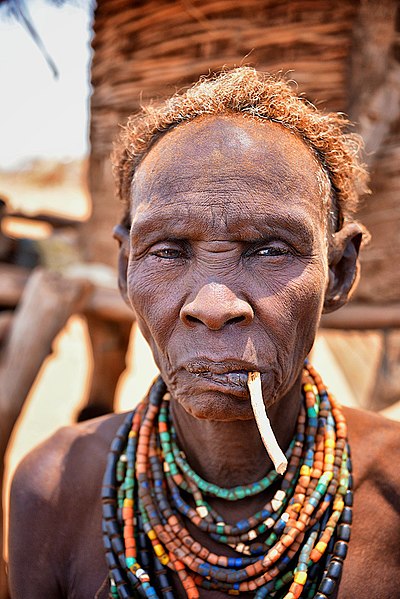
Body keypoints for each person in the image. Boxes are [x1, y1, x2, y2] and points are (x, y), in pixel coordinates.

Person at [8, 68, 400, 599]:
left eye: (269, 250)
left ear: (338, 272)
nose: (213, 306)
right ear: (125, 269)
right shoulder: (54, 489)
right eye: (168, 251)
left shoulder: (392, 491)